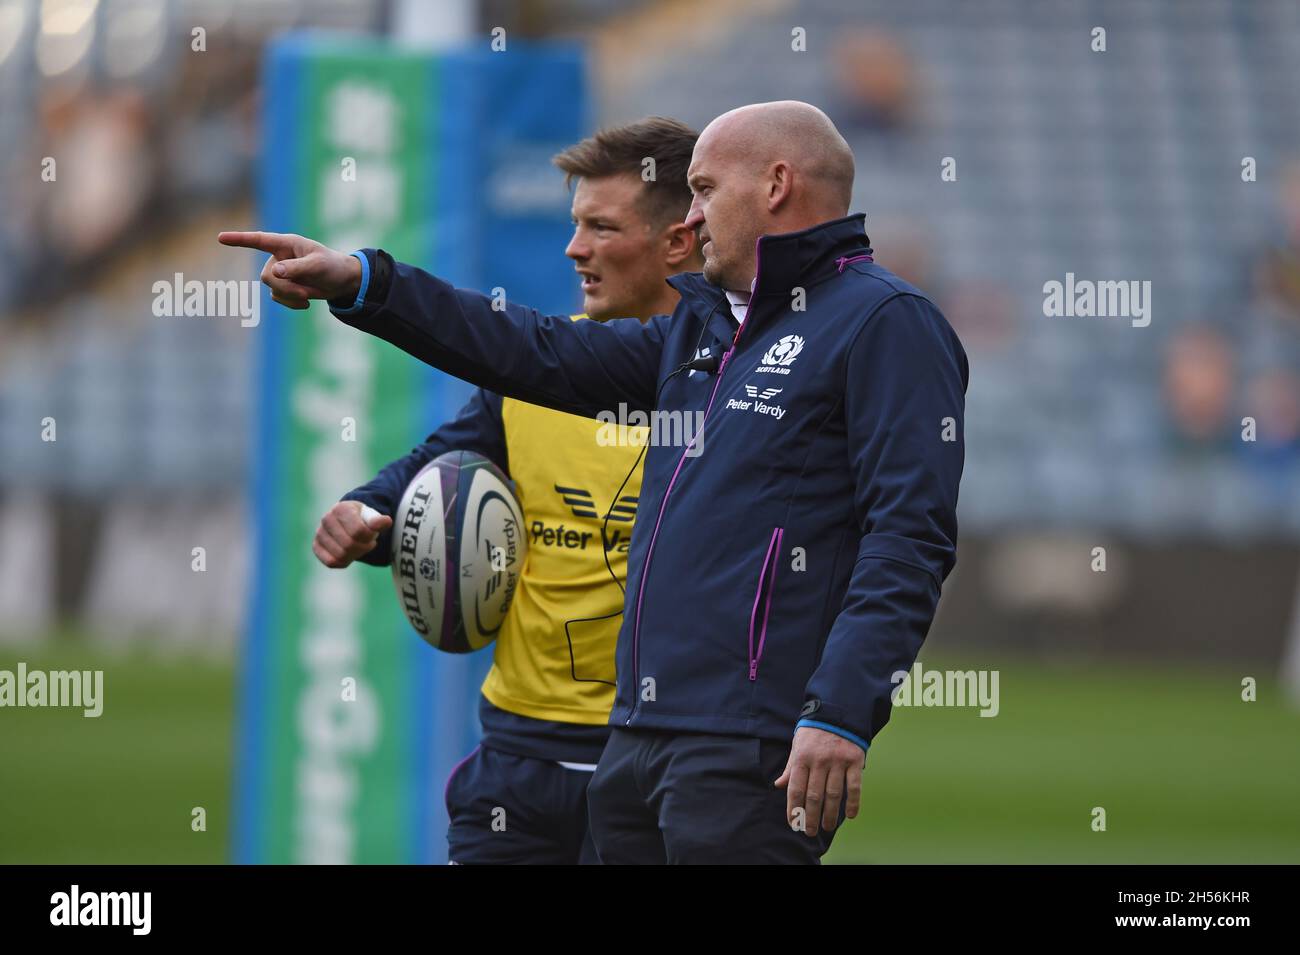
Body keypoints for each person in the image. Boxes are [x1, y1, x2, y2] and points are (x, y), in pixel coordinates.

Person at [219, 100, 969, 864]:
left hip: (746, 745)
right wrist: (362, 281)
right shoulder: (706, 330)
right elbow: (528, 349)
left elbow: (907, 538)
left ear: (776, 184)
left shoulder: (885, 322)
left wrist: (840, 711)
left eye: (705, 189)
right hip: (637, 745)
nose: (694, 215)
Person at [292, 117, 700, 864]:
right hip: (517, 762)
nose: (574, 250)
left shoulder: (739, 389)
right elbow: (437, 464)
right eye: (575, 224)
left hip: (664, 764)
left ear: (678, 241)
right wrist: (370, 511)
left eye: (601, 228)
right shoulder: (549, 371)